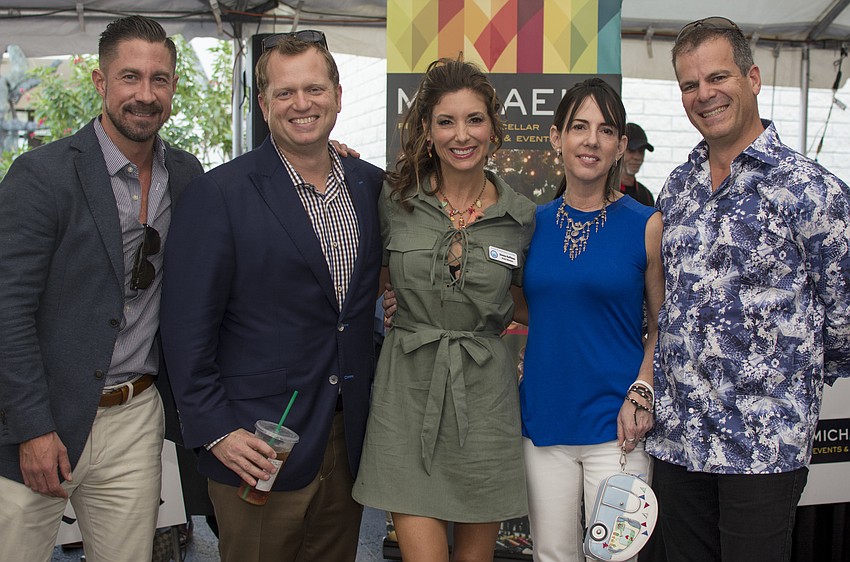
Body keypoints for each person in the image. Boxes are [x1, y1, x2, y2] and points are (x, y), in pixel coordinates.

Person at [160, 31, 384, 562]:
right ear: (264, 105)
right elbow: (184, 331)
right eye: (285, 93)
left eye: (314, 88)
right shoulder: (218, 196)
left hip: (347, 438)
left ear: (338, 94)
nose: (301, 104)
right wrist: (216, 432)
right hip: (258, 445)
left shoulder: (373, 187)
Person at [0, 15, 203, 562]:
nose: (145, 93)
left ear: (173, 86)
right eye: (130, 77)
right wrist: (33, 428)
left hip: (136, 417)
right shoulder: (41, 175)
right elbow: (7, 310)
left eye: (159, 79)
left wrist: (327, 159)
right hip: (46, 420)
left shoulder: (186, 176)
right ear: (100, 82)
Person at [648, 16, 850, 562]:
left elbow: (845, 320)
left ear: (753, 78)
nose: (704, 95)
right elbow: (669, 307)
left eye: (718, 77)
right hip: (679, 442)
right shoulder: (679, 187)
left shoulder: (811, 191)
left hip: (762, 447)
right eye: (690, 85)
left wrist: (784, 389)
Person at [352, 58, 536, 562]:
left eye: (474, 119)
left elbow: (528, 302)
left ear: (494, 126)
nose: (462, 135)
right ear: (427, 130)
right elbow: (376, 277)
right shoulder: (392, 198)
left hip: (486, 401)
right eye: (446, 121)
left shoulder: (520, 216)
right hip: (407, 394)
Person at [517, 78, 663, 562]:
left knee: (614, 560)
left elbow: (663, 327)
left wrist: (643, 389)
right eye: (579, 127)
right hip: (545, 423)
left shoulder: (646, 225)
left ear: (620, 145)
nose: (591, 140)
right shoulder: (530, 224)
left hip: (618, 428)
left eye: (605, 130)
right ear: (557, 137)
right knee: (552, 555)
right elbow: (519, 304)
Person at [620, 122, 655, 206]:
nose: (637, 157)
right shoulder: (602, 192)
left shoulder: (646, 196)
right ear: (619, 150)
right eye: (631, 150)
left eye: (641, 151)